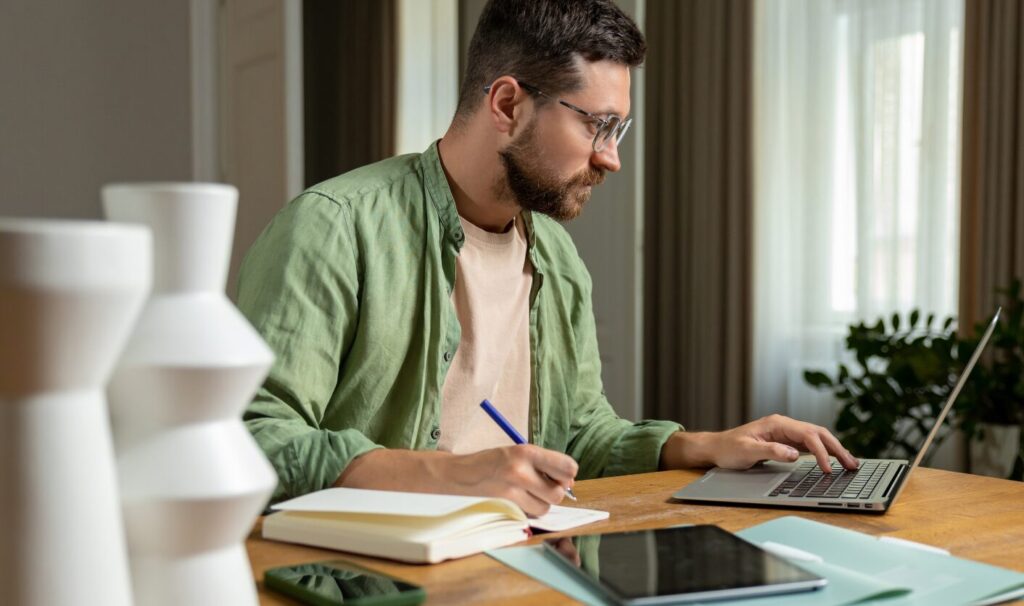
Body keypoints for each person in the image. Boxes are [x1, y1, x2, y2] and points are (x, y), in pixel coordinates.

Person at [238, 0, 858, 516]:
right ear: (507, 105)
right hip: (383, 579)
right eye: (599, 125)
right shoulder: (334, 226)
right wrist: (454, 474)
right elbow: (253, 437)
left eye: (620, 131)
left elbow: (582, 434)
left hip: (532, 562)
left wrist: (704, 446)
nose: (611, 158)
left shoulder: (556, 256)